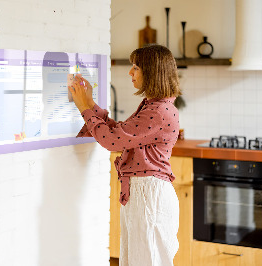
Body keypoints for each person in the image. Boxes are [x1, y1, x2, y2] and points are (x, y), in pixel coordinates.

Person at [69, 44, 181, 266]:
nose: (130, 72)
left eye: (136, 67)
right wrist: (90, 103)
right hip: (144, 193)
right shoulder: (154, 106)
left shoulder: (158, 111)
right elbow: (120, 133)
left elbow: (112, 141)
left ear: (152, 72)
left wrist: (84, 108)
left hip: (149, 195)